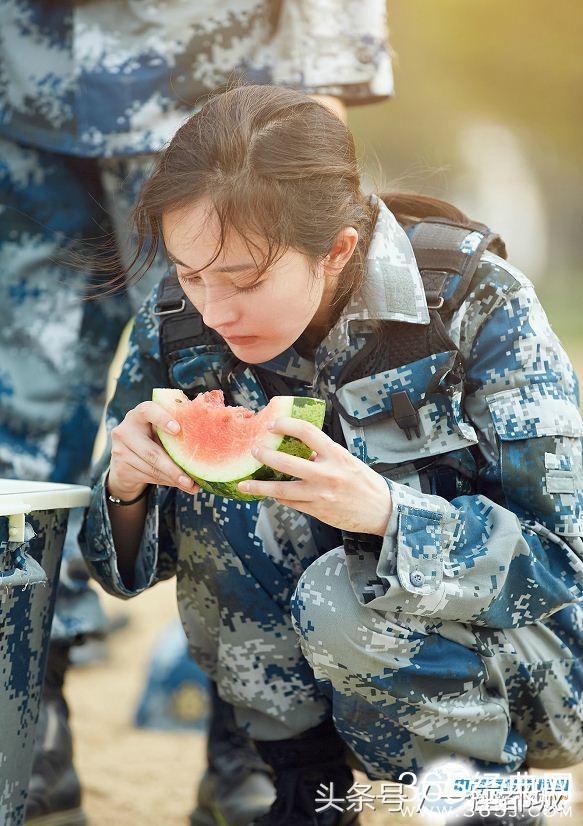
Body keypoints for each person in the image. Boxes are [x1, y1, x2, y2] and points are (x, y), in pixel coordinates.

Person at [79, 84, 583, 826]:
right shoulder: (181, 323)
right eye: (190, 273)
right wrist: (125, 489)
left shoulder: (481, 306)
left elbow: (563, 564)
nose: (213, 308)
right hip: (302, 694)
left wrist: (388, 516)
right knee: (227, 506)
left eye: (245, 279)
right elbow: (116, 572)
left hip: (530, 672)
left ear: (338, 249)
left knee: (340, 600)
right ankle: (302, 789)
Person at [0, 3, 392, 824]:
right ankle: (24, 719)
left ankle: (254, 740)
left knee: (250, 396)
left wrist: (325, 78)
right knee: (12, 418)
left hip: (207, 85)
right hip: (19, 89)